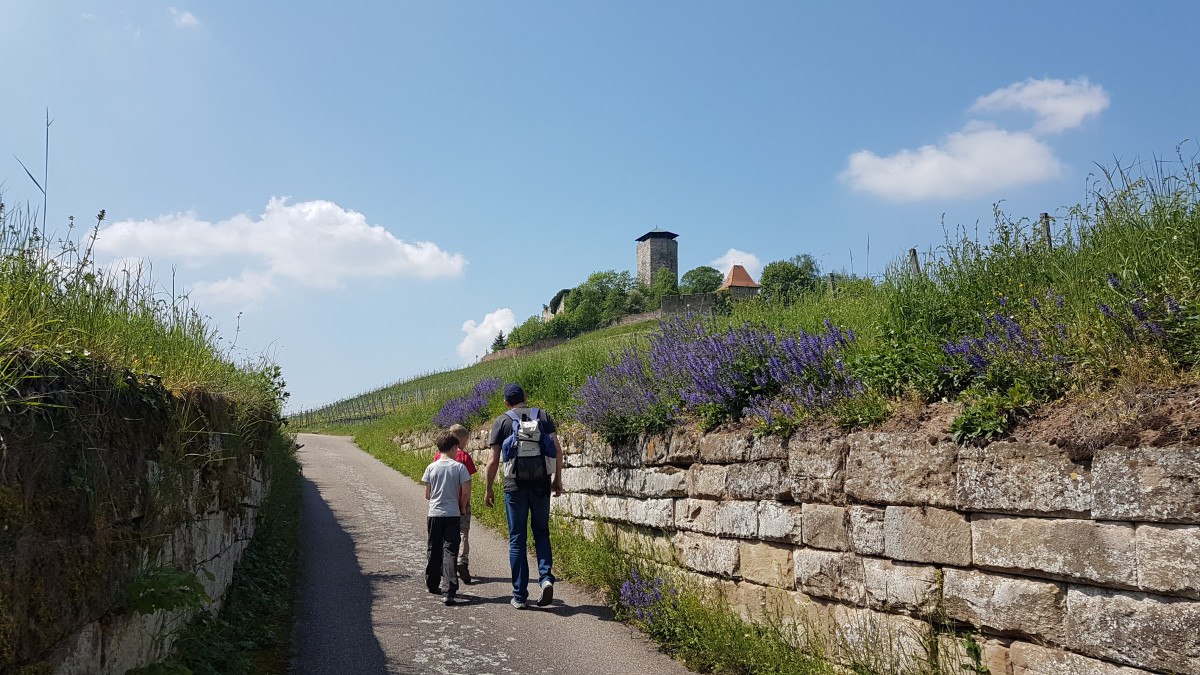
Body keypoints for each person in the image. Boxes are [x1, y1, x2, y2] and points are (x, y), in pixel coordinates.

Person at [485, 383, 563, 609]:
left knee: (517, 539)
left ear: (506, 402)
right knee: (542, 533)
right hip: (541, 484)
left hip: (514, 486)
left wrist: (489, 488)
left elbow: (493, 460)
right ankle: (546, 579)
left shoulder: (502, 421)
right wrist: (557, 479)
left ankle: (519, 596)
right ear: (525, 397)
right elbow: (557, 450)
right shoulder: (543, 416)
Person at [422, 431, 472, 605]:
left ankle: (432, 583)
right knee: (450, 550)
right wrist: (461, 506)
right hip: (452, 514)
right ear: (453, 448)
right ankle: (449, 590)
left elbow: (427, 494)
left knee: (434, 548)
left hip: (434, 514)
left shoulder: (431, 467)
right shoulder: (459, 468)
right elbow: (465, 491)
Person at [439, 423, 477, 584]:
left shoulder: (438, 456)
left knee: (445, 536)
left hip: (444, 504)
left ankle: (446, 564)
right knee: (463, 533)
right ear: (459, 439)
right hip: (461, 502)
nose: (466, 444)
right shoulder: (465, 457)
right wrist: (466, 503)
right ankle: (462, 561)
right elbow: (468, 484)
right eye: (466, 441)